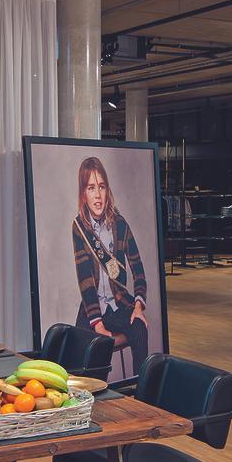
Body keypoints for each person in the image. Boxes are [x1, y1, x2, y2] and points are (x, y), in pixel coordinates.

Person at [72, 156, 149, 371]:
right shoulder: (79, 228)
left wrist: (138, 307)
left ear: (107, 190)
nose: (97, 195)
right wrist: (98, 325)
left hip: (119, 304)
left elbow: (138, 270)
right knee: (80, 357)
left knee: (140, 329)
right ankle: (98, 391)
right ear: (83, 194)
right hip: (92, 308)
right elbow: (85, 281)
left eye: (102, 187)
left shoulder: (120, 224)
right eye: (91, 188)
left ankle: (141, 389)